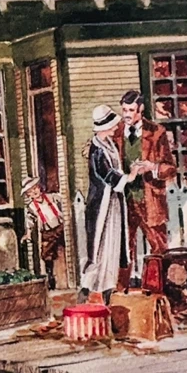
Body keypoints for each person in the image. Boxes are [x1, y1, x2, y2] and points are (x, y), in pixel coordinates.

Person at [116, 88, 176, 285]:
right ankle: (121, 289)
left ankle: (159, 288)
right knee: (123, 248)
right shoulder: (116, 132)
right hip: (125, 201)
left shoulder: (157, 132)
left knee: (158, 247)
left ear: (140, 109)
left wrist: (152, 167)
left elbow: (170, 168)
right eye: (124, 110)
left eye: (131, 110)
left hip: (150, 200)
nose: (126, 115)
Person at [80, 105, 136, 302]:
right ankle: (86, 291)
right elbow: (107, 174)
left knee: (112, 248)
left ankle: (107, 291)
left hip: (113, 203)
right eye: (112, 125)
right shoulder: (97, 149)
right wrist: (130, 176)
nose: (115, 128)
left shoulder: (109, 144)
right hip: (101, 205)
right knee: (99, 249)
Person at [21, 175, 65, 288]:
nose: (34, 192)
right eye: (30, 191)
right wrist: (28, 233)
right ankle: (50, 277)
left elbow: (64, 202)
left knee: (64, 249)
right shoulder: (31, 207)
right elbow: (30, 221)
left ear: (39, 187)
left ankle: (64, 277)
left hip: (60, 228)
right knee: (46, 254)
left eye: (35, 188)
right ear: (28, 195)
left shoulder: (52, 197)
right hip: (47, 232)